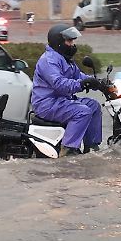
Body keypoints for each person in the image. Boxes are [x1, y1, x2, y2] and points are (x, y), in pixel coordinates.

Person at [32, 24, 107, 156]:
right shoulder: (49, 60)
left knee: (94, 106)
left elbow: (78, 76)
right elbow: (59, 84)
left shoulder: (66, 60)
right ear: (59, 42)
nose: (72, 44)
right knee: (82, 112)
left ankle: (92, 147)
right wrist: (82, 84)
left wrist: (99, 83)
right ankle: (68, 149)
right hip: (48, 104)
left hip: (63, 101)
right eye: (69, 41)